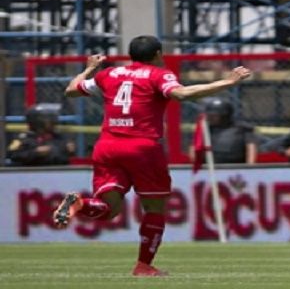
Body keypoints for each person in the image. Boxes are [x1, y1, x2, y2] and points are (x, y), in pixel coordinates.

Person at [54, 35, 251, 276]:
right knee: (154, 208)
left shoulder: (110, 74)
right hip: (142, 148)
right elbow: (182, 94)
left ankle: (81, 203)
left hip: (107, 146)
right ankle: (144, 265)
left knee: (109, 209)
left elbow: (71, 90)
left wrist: (89, 69)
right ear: (158, 53)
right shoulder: (159, 74)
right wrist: (227, 82)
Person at [7, 103, 75, 166]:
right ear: (37, 122)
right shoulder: (24, 139)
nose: (53, 121)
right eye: (49, 119)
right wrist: (35, 153)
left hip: (58, 174)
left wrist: (69, 150)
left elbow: (63, 158)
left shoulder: (58, 137)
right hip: (32, 174)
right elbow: (13, 155)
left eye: (53, 118)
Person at [201, 98, 257, 164]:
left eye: (214, 116)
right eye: (209, 115)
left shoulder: (242, 129)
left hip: (236, 168)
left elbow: (250, 147)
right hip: (211, 168)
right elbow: (195, 148)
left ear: (225, 115)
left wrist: (249, 167)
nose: (210, 118)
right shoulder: (206, 129)